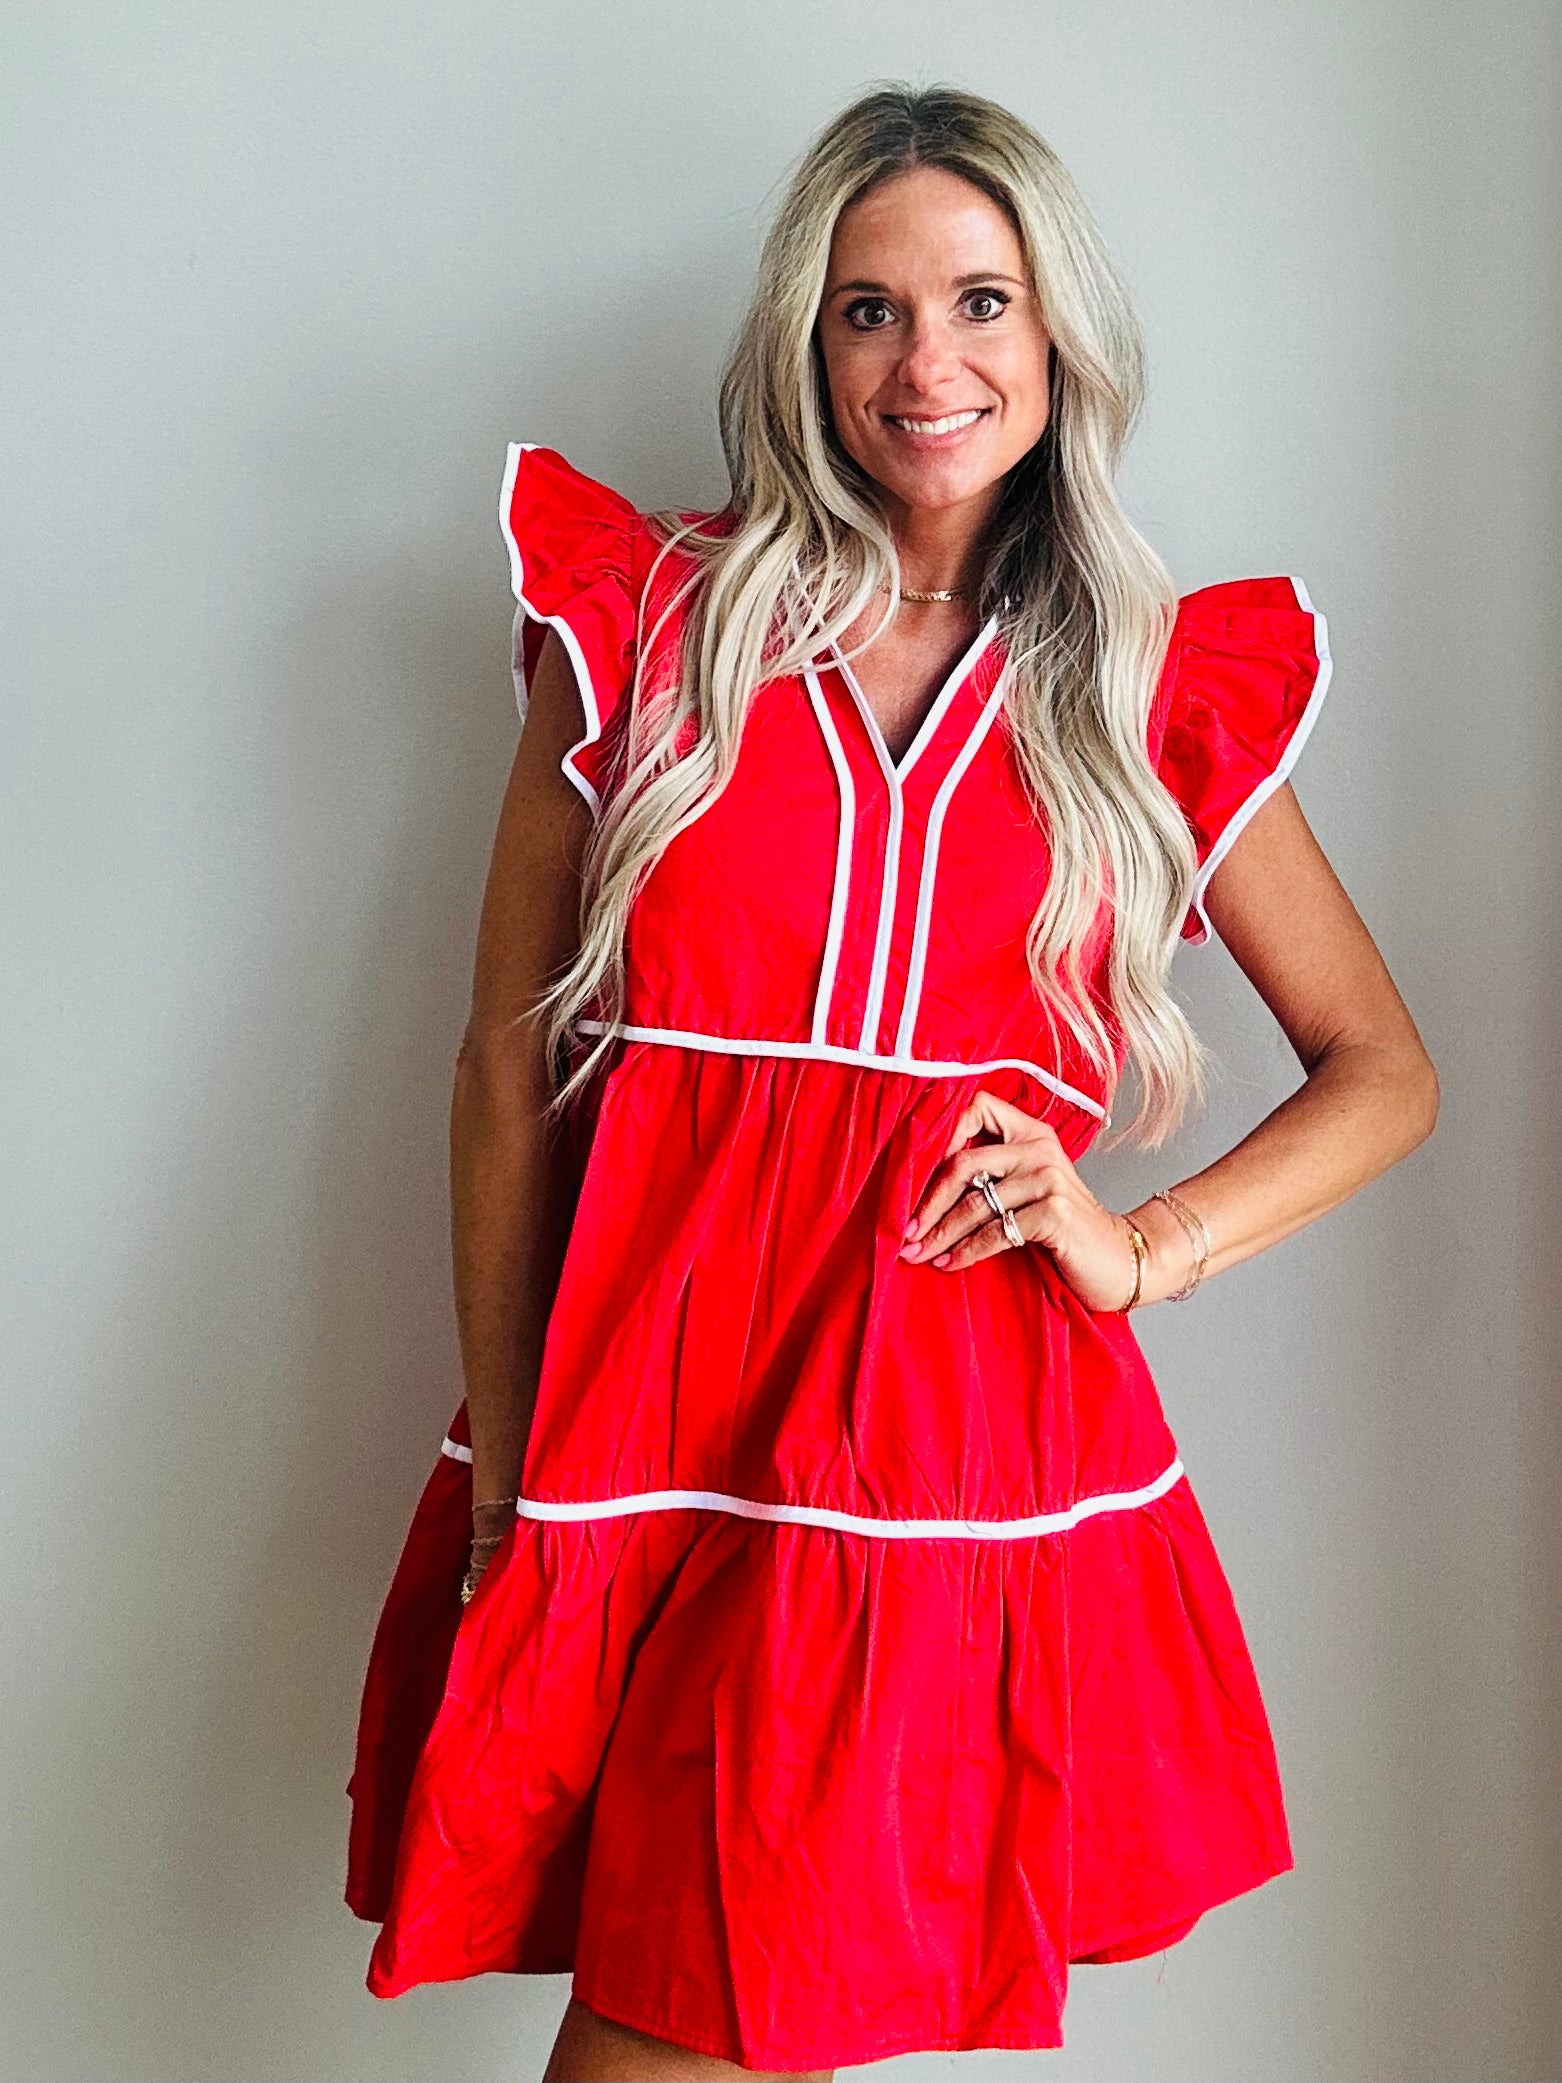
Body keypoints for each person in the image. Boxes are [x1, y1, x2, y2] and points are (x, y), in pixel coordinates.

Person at [344, 81, 1438, 2081]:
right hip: (644, 1441)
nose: (927, 362)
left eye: (979, 302)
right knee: (717, 2011)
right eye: (870, 310)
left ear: (1056, 333)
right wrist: (510, 1489)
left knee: (715, 2012)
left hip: (931, 1464)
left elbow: (1381, 1068)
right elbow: (506, 1073)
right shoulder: (649, 618)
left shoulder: (1147, 684)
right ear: (806, 340)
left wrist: (1142, 1246)